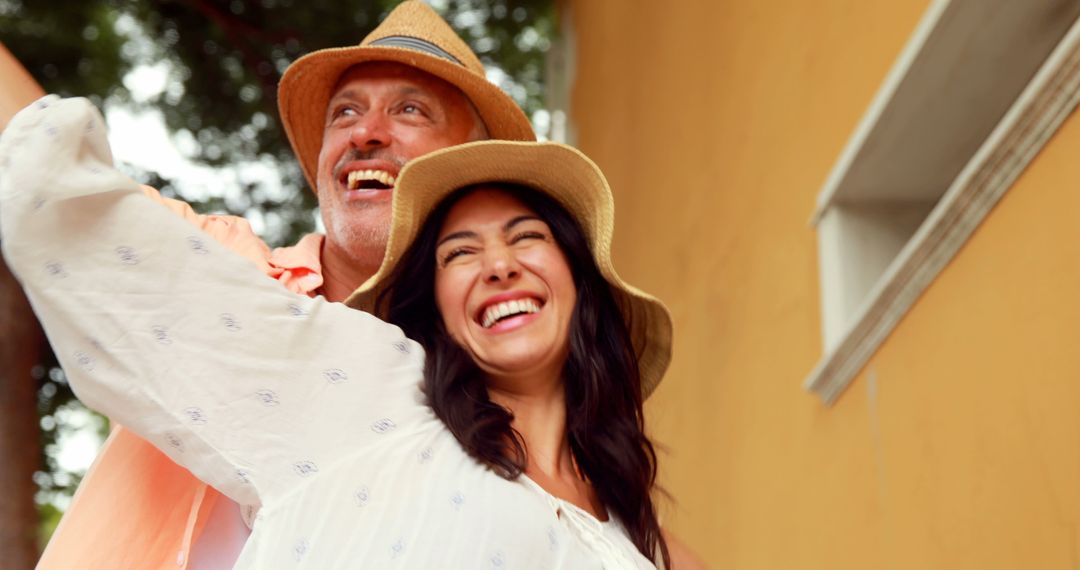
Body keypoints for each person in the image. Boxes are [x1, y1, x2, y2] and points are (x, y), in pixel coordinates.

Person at [1, 97, 673, 567]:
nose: (498, 265)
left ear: (582, 287)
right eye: (459, 253)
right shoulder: (370, 391)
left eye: (527, 238)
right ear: (432, 313)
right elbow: (89, 227)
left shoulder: (624, 531)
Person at [28, 2, 535, 568]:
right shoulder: (225, 267)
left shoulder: (509, 395)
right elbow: (47, 170)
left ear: (473, 171)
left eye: (410, 110)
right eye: (343, 113)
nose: (364, 133)